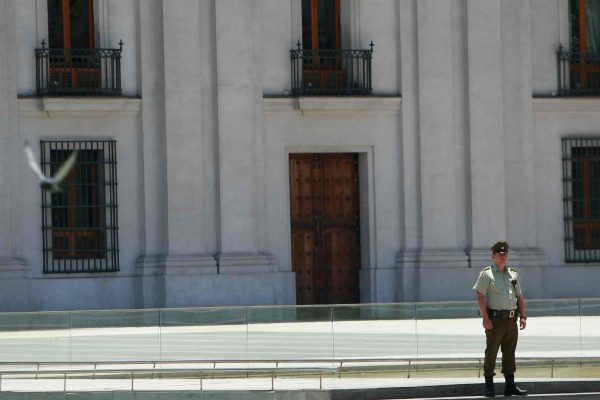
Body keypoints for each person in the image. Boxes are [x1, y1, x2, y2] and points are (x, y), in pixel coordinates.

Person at [473, 240, 528, 397]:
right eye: (500, 254)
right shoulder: (487, 274)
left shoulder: (513, 273)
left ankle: (510, 386)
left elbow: (519, 296)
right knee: (491, 352)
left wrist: (523, 316)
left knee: (509, 352)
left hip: (512, 320)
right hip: (495, 320)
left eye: (505, 254)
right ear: (493, 256)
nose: (503, 256)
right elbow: (480, 296)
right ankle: (489, 386)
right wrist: (485, 318)